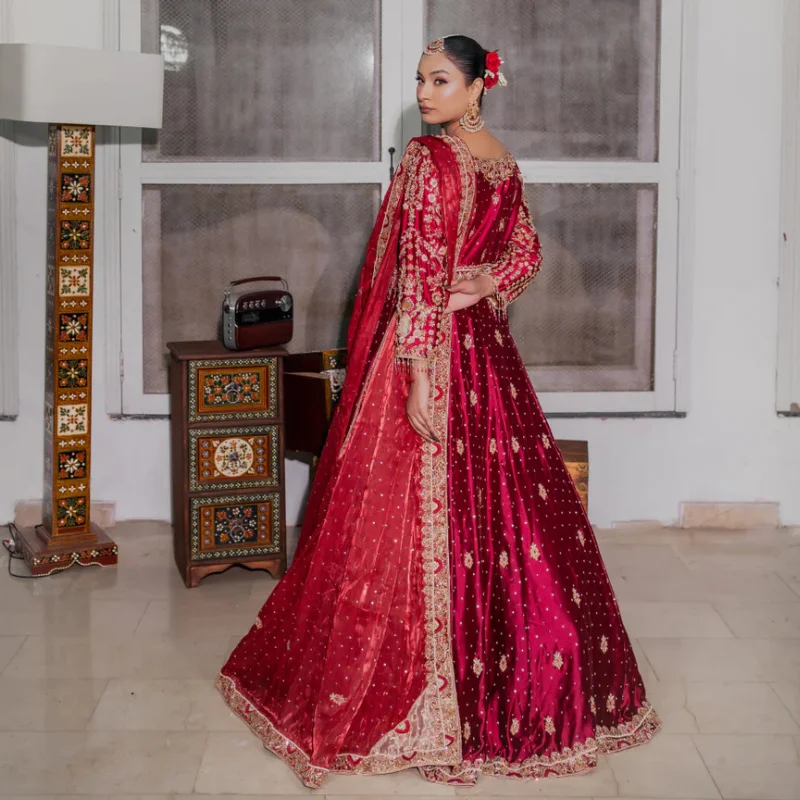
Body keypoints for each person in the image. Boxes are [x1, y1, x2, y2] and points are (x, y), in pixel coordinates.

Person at [216, 34, 660, 789]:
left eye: (441, 80)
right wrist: (487, 285)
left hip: (426, 353)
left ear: (478, 85)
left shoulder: (431, 160)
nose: (424, 94)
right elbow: (526, 252)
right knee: (503, 514)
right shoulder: (503, 162)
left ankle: (431, 694)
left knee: (396, 520)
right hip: (485, 351)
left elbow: (420, 269)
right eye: (422, 80)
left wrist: (419, 373)